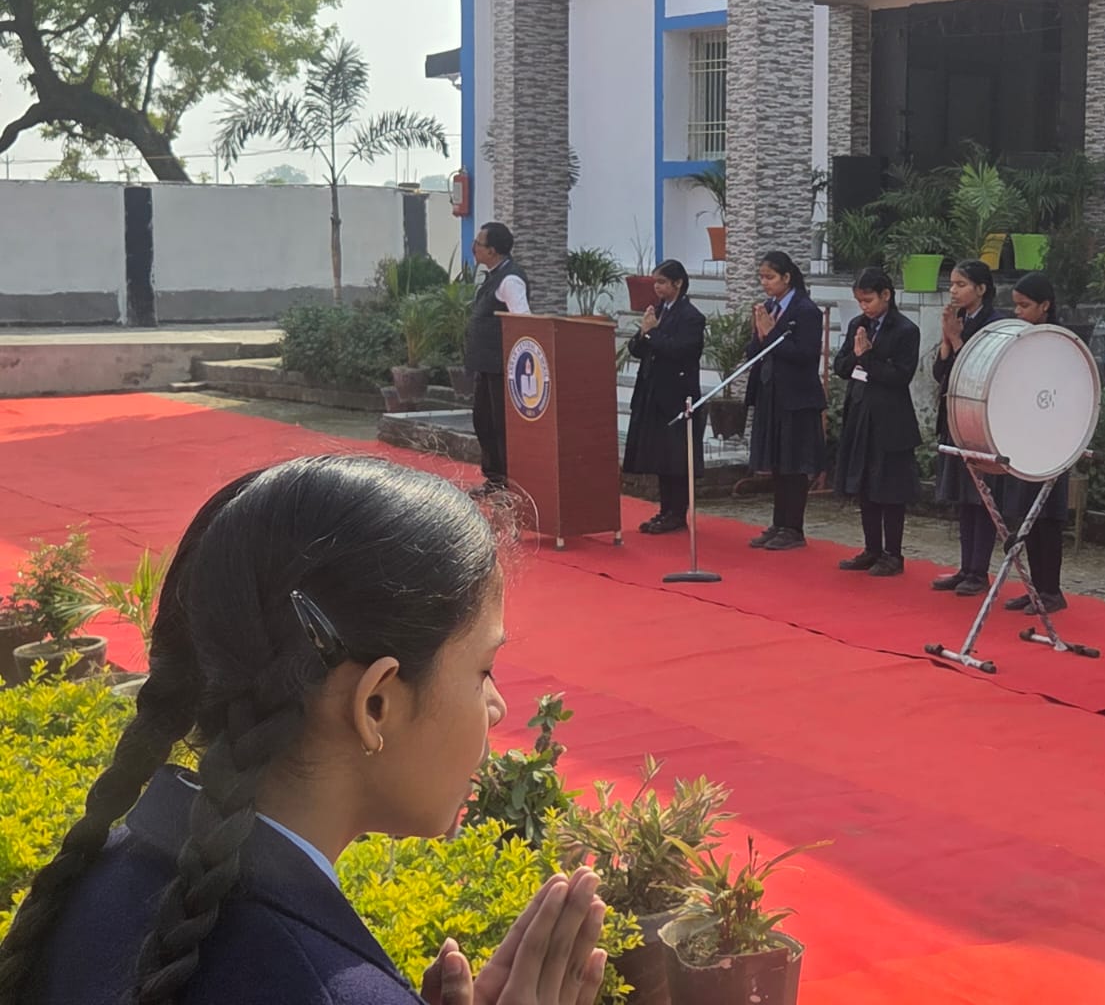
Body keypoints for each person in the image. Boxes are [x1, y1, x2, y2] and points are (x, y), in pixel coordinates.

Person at [0, 455, 608, 1005]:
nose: (497, 706)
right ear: (374, 705)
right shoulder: (328, 986)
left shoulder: (88, 881)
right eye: (484, 670)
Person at [834, 267, 922, 577]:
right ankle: (871, 548)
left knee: (890, 488)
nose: (864, 307)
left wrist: (868, 358)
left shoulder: (905, 330)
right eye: (859, 301)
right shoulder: (858, 325)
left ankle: (893, 553)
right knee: (865, 485)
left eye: (868, 300)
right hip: (860, 412)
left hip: (891, 418)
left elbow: (900, 376)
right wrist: (858, 356)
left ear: (886, 295)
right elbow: (841, 365)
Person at [932, 259, 1006, 596]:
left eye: (961, 285)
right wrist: (946, 341)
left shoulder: (995, 324)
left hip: (982, 420)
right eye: (952, 284)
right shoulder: (959, 320)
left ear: (981, 288)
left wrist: (957, 339)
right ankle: (966, 567)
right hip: (955, 414)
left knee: (982, 497)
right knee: (963, 497)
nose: (954, 291)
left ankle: (979, 571)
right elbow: (941, 372)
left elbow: (981, 369)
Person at [998, 272, 1070, 615]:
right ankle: (1034, 588)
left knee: (1047, 518)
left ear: (1045, 306)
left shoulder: (1062, 343)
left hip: (1054, 441)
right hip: (1025, 437)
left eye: (1025, 306)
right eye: (1016, 306)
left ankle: (1051, 590)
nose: (1018, 312)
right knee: (1027, 516)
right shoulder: (1022, 339)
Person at [745, 250, 826, 551]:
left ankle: (794, 527)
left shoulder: (806, 310)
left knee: (794, 463)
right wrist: (759, 335)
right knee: (778, 462)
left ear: (787, 277)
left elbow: (805, 355)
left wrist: (771, 333)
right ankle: (779, 523)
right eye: (762, 278)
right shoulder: (769, 307)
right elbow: (755, 352)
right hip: (771, 393)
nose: (765, 283)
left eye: (770, 277)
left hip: (797, 397)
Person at [623, 260, 707, 535]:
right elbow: (636, 348)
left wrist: (652, 333)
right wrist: (644, 332)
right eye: (655, 282)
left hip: (677, 395)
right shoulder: (657, 310)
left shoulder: (691, 316)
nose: (656, 287)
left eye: (661, 282)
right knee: (660, 456)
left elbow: (681, 350)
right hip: (653, 391)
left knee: (676, 457)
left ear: (677, 283)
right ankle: (665, 509)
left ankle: (677, 512)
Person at [466, 222, 531, 498]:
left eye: (478, 244)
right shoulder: (493, 275)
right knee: (483, 421)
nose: (474, 248)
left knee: (500, 425)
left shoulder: (510, 280)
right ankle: (493, 479)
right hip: (486, 365)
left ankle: (508, 482)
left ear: (492, 250)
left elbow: (522, 321)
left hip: (502, 367)